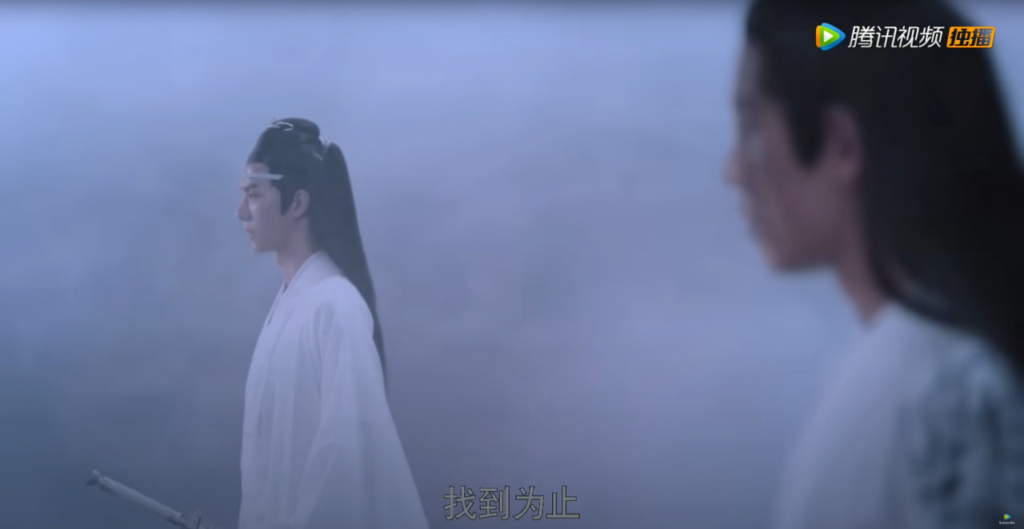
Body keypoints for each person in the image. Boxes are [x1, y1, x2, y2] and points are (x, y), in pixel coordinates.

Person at [724, 1, 1024, 528]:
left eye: (753, 128)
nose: (734, 171)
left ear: (843, 145)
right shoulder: (945, 371)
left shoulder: (949, 394)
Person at [234, 118, 429, 529]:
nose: (241, 213)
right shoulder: (292, 303)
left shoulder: (335, 305)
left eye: (253, 195)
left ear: (298, 203)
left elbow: (345, 463)